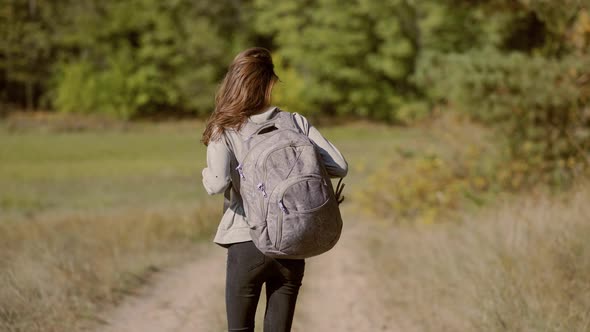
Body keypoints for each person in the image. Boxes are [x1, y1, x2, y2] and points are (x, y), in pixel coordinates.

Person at [201, 47, 348, 332]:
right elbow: (340, 167)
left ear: (233, 85)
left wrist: (205, 174)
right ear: (269, 83)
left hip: (247, 241)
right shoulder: (295, 122)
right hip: (292, 240)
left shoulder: (226, 127)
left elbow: (217, 183)